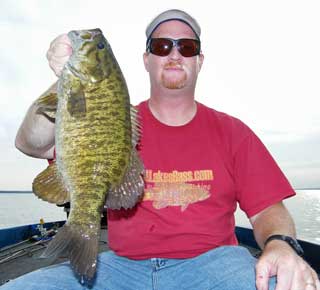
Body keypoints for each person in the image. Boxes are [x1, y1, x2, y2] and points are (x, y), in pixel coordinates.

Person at [4, 9, 319, 290]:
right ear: (147, 60)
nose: (175, 54)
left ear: (199, 61)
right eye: (161, 46)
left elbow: (268, 210)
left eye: (187, 46)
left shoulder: (233, 132)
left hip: (216, 265)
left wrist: (280, 245)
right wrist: (65, 81)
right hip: (120, 269)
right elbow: (30, 143)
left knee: (291, 283)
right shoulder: (110, 118)